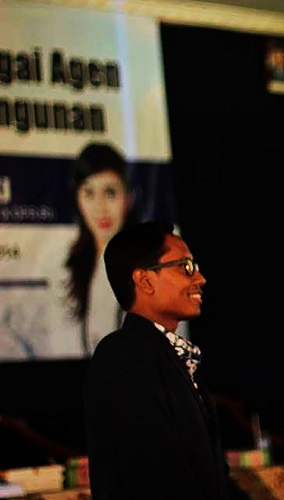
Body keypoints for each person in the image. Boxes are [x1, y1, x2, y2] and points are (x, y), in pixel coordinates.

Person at [83, 221, 248, 499]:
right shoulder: (123, 354)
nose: (200, 278)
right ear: (145, 281)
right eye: (186, 267)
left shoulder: (172, 357)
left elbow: (213, 477)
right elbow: (156, 474)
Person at [64, 141, 138, 355]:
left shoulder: (149, 265)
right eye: (89, 193)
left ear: (129, 198)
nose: (100, 207)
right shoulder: (77, 264)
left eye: (110, 192)